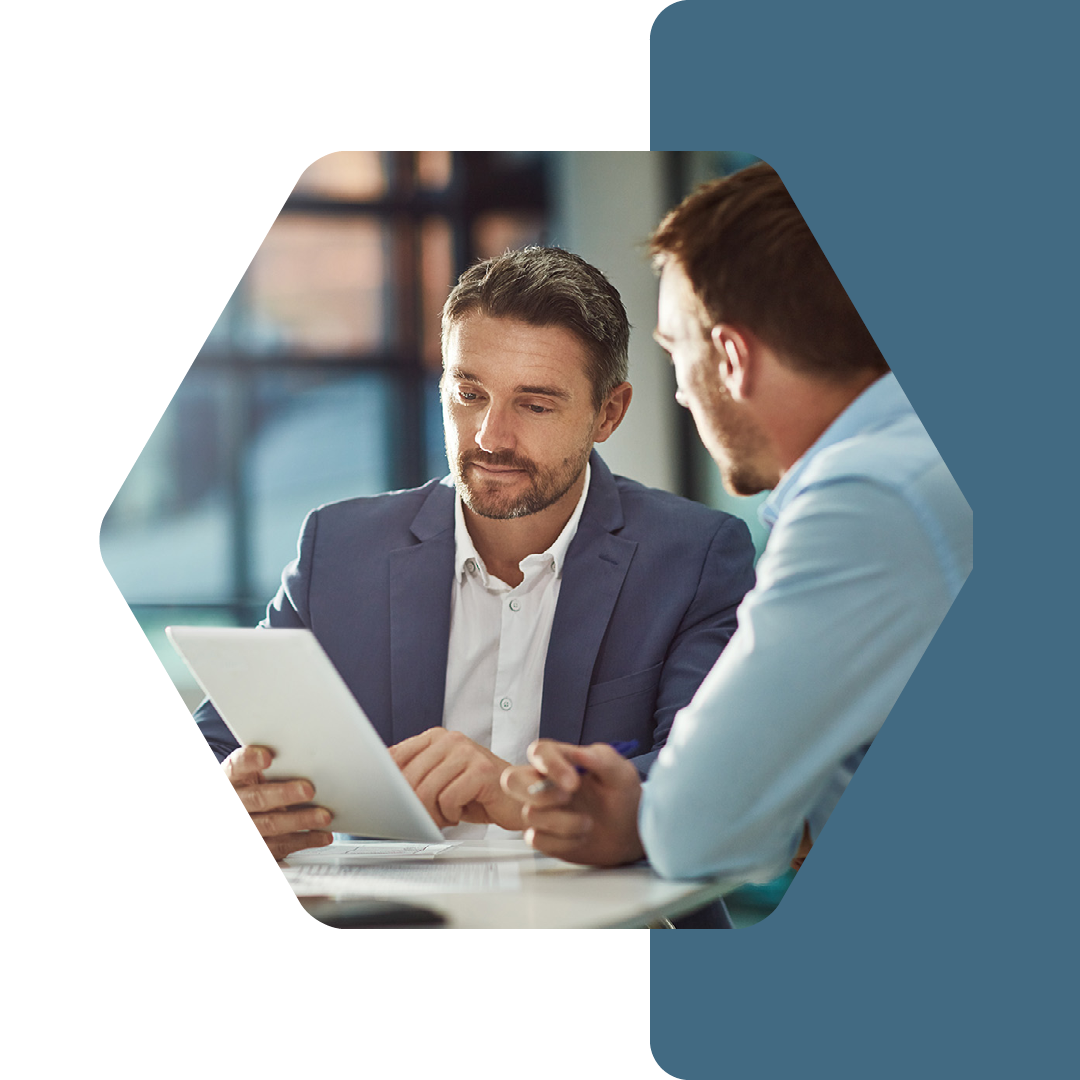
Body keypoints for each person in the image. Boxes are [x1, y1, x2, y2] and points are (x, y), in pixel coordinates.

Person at [196, 247, 756, 860]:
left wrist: (516, 793)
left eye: (536, 405)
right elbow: (216, 745)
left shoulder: (695, 556)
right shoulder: (339, 549)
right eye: (469, 394)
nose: (491, 437)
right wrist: (235, 802)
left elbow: (712, 781)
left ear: (608, 414)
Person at [501, 164, 973, 886]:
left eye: (674, 352)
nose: (683, 395)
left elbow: (698, 828)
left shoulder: (869, 498)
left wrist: (641, 811)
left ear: (730, 356)